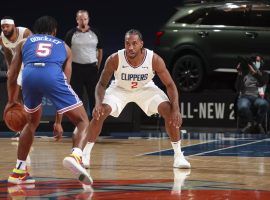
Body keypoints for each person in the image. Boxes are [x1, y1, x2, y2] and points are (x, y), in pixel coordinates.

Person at [83, 29, 191, 169]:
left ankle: (178, 156)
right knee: (99, 113)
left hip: (145, 89)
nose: (130, 47)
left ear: (141, 44)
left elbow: (170, 85)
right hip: (120, 89)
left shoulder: (154, 59)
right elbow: (102, 84)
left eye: (134, 43)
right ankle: (85, 155)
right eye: (127, 43)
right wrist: (98, 103)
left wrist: (176, 109)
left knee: (169, 111)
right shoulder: (115, 59)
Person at [5, 16, 92, 185]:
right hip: (52, 75)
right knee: (83, 121)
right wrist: (58, 121)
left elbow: (12, 74)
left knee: (30, 124)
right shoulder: (65, 47)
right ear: (54, 31)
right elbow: (65, 81)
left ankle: (18, 171)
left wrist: (10, 101)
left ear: (36, 30)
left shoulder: (24, 43)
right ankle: (76, 156)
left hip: (29, 77)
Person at [65, 10, 103, 116]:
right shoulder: (71, 33)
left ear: (88, 19)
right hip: (76, 70)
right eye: (81, 19)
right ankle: (79, 126)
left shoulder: (95, 33)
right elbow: (66, 51)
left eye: (85, 19)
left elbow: (100, 50)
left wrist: (97, 67)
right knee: (77, 98)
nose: (83, 21)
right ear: (77, 20)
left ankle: (94, 126)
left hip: (91, 69)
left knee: (94, 97)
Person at [235, 55, 269, 133]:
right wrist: (239, 74)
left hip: (257, 97)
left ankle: (258, 123)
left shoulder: (264, 74)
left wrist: (255, 73)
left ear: (261, 63)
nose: (256, 63)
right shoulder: (244, 74)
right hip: (245, 97)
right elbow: (237, 88)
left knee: (264, 104)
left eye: (257, 61)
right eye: (254, 61)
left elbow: (262, 82)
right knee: (243, 106)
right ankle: (251, 123)